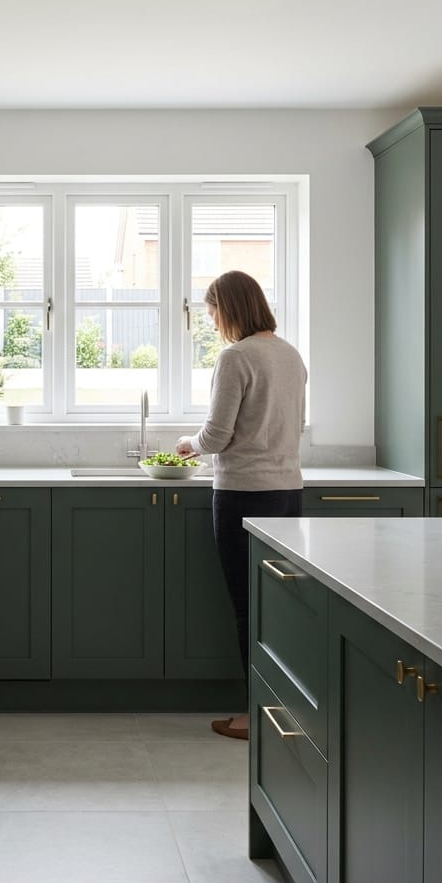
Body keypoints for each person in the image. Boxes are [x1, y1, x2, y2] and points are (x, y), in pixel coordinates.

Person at [176, 270, 306, 741]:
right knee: (280, 608)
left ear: (230, 308)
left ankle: (254, 716)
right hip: (289, 492)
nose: (212, 322)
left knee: (247, 607)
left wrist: (187, 443)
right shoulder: (290, 355)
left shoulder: (236, 357)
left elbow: (217, 436)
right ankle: (285, 711)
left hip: (242, 496)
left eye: (212, 311)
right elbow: (296, 424)